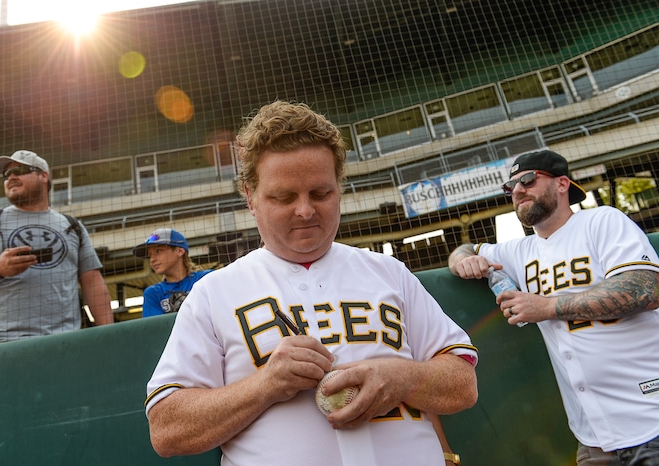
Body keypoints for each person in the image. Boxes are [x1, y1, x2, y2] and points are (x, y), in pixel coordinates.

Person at [145, 101, 478, 466]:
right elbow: (166, 428)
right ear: (250, 197)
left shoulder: (389, 272)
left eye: (321, 194)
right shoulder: (213, 293)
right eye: (284, 197)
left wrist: (401, 378)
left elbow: (462, 384)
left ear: (339, 187)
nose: (305, 210)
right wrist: (265, 384)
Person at [448, 149, 659, 466]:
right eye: (511, 187)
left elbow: (645, 288)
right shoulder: (520, 250)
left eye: (528, 180)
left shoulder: (602, 221)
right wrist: (465, 260)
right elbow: (462, 249)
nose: (517, 190)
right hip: (592, 438)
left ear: (562, 184)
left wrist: (546, 307)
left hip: (649, 419)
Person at [0, 150, 113, 346]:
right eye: (7, 174)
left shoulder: (72, 226)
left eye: (21, 170)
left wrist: (110, 337)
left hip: (62, 344)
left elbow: (93, 283)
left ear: (44, 176)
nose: (12, 177)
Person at [132, 228, 213, 317]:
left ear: (179, 251)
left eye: (158, 251)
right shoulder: (153, 293)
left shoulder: (206, 279)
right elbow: (156, 329)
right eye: (149, 255)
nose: (152, 260)